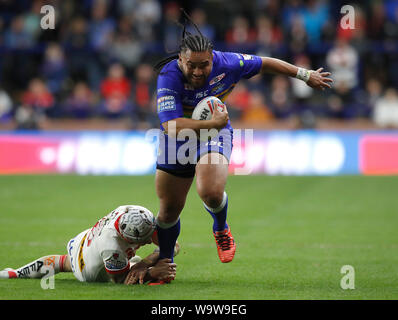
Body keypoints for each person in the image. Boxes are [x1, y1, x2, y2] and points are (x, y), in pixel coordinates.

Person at [152, 9, 332, 271]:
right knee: (168, 211)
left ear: (213, 58)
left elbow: (266, 62)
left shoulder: (228, 63)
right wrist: (209, 123)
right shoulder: (168, 76)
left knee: (211, 192)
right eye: (192, 65)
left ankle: (221, 227)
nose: (199, 71)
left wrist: (305, 75)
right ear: (181, 59)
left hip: (215, 131)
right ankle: (165, 262)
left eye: (205, 64)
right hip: (179, 136)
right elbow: (170, 125)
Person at [0, 205, 178, 285]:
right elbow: (120, 280)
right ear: (127, 237)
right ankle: (129, 263)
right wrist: (152, 272)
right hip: (90, 271)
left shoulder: (137, 214)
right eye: (144, 240)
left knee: (63, 262)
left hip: (86, 240)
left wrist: (144, 263)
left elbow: (174, 245)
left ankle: (14, 273)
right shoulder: (112, 248)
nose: (148, 241)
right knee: (71, 265)